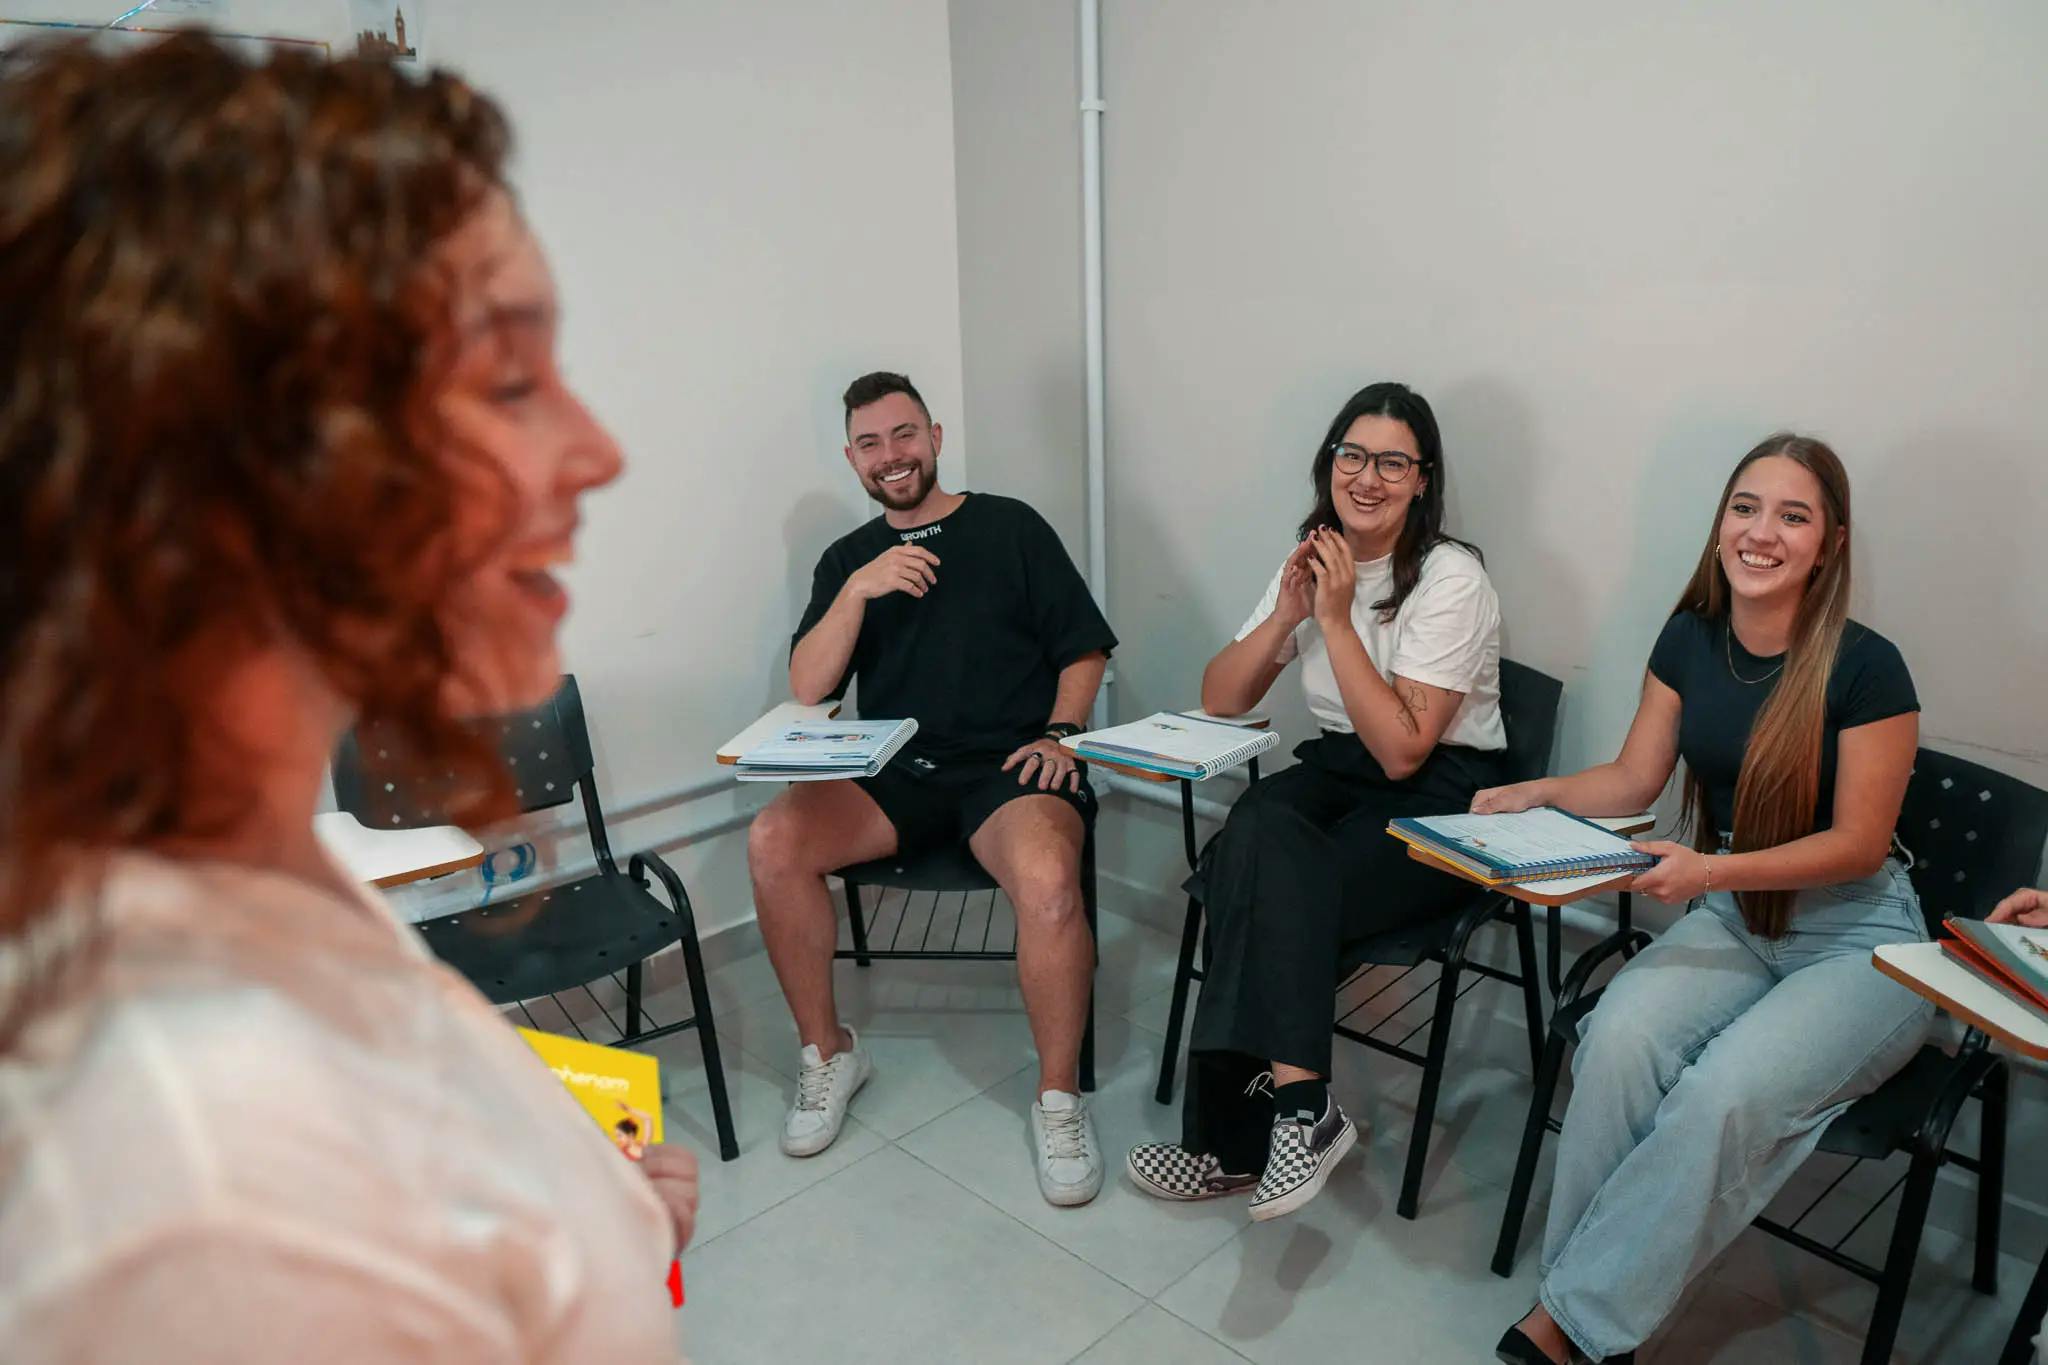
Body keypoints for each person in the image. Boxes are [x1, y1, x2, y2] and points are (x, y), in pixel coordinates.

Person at [0, 35, 696, 1361]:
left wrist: (594, 1232)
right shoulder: (210, 1198)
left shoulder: (235, 868)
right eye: (507, 384)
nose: (596, 450)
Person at [1483, 435, 1932, 1365]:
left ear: (1830, 544)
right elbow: (1636, 775)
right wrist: (1537, 793)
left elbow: (1855, 842)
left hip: (1863, 939)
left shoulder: (1867, 666)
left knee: (1722, 1093)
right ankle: (1583, 1317)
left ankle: (1569, 1325)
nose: (1761, 532)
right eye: (1745, 506)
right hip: (1740, 915)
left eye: (1792, 515)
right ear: (1721, 521)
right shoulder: (1689, 636)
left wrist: (1708, 870)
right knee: (1615, 1041)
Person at [1124, 381, 1507, 1221]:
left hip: (1443, 795)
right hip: (1341, 770)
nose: (1367, 477)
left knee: (1253, 866)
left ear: (1422, 479)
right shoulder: (1315, 555)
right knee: (1254, 832)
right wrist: (1287, 615)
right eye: (1352, 455)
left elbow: (1407, 748)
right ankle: (1304, 1111)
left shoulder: (1452, 577)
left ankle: (1234, 1143)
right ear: (1328, 463)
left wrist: (1335, 623)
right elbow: (1220, 696)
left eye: (1392, 462)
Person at [747, 372, 1118, 1206]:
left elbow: (1084, 648)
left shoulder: (1010, 526)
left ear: (937, 436)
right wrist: (857, 590)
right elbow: (810, 686)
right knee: (774, 839)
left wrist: (1059, 734)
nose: (892, 455)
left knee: (1051, 884)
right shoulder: (847, 558)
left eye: (905, 434)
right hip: (897, 772)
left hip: (1009, 769)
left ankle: (1059, 1099)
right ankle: (830, 1053)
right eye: (871, 443)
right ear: (853, 458)